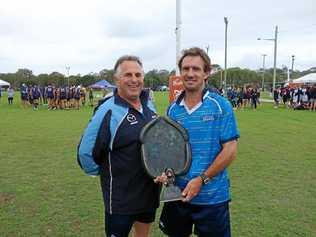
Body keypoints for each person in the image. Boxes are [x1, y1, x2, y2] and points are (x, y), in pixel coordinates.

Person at [157, 47, 240, 237]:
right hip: (178, 196)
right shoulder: (173, 109)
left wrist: (202, 179)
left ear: (206, 73)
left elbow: (230, 150)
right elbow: (171, 150)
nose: (190, 74)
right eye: (185, 69)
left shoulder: (221, 106)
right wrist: (166, 173)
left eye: (196, 69)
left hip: (212, 197)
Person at [77, 55, 160, 237]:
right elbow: (85, 153)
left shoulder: (150, 105)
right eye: (128, 75)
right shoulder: (108, 110)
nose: (134, 80)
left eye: (138, 75)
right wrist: (107, 173)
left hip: (149, 192)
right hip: (121, 198)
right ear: (117, 80)